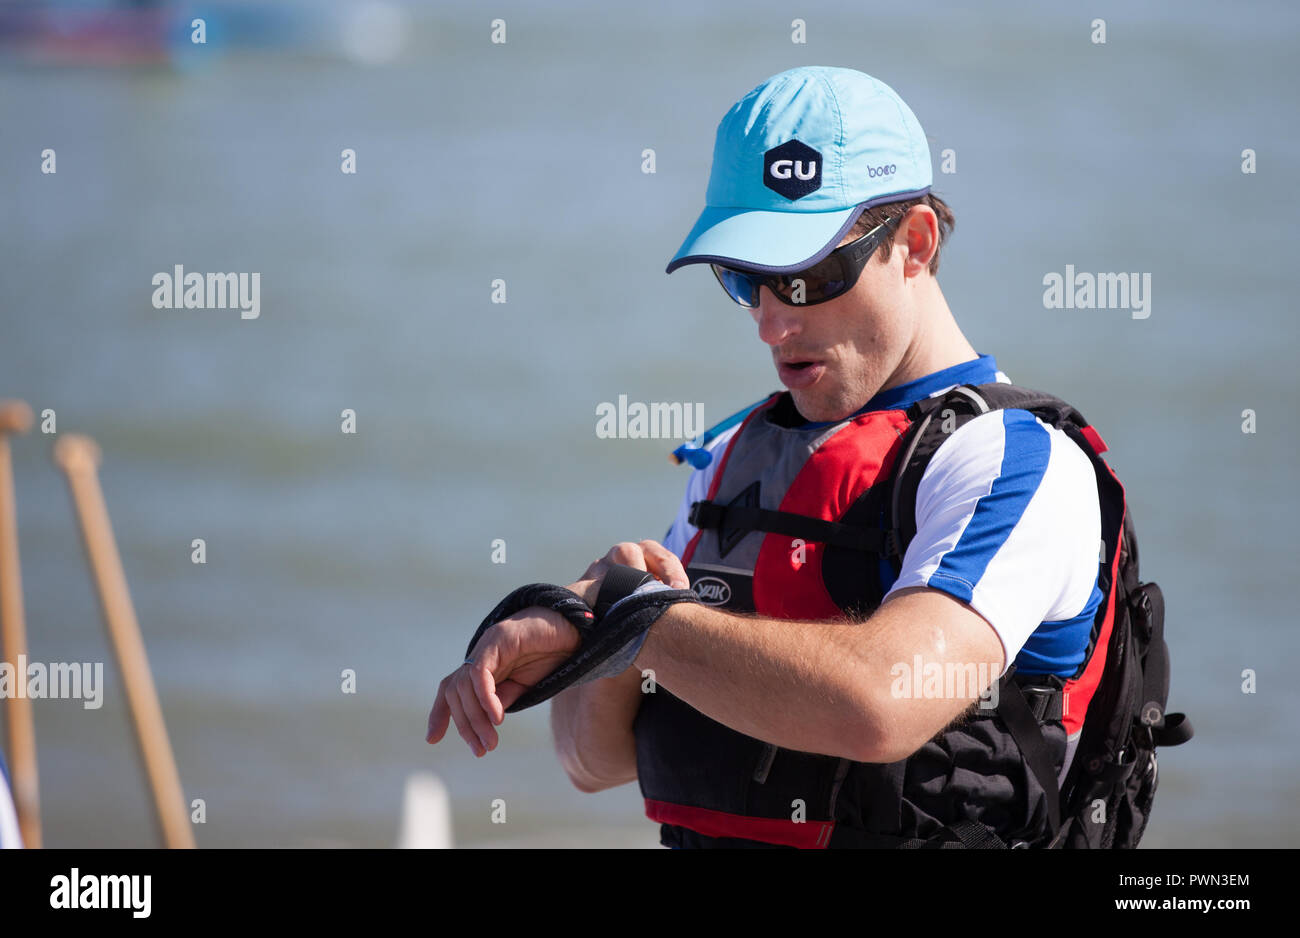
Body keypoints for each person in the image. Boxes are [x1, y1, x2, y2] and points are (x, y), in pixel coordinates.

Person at [426, 66, 1108, 849]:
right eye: (746, 280)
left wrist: (631, 616)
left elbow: (881, 702)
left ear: (914, 244)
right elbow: (593, 760)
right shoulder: (729, 457)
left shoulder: (1017, 465)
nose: (771, 325)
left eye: (809, 276)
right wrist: (603, 624)